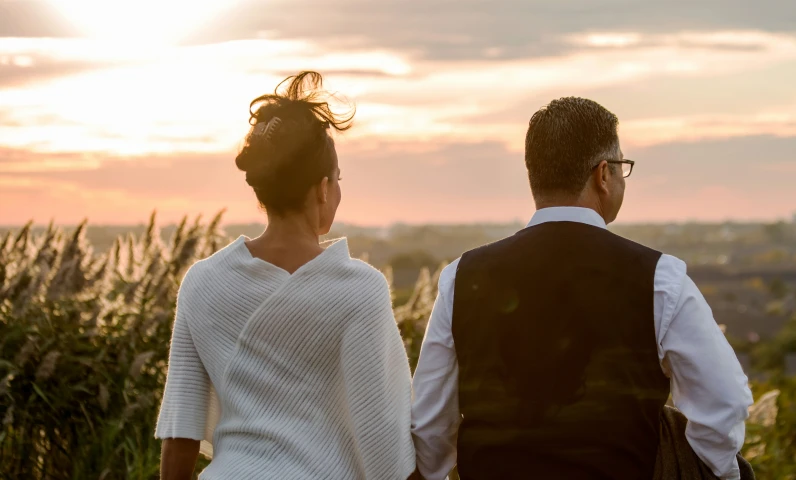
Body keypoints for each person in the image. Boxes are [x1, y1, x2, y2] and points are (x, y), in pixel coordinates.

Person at [410, 97, 754, 479]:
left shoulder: (461, 276)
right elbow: (725, 402)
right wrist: (721, 473)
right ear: (603, 175)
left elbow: (430, 426)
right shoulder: (660, 279)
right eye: (622, 167)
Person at [155, 71, 416, 480]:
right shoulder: (359, 290)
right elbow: (383, 434)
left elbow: (180, 433)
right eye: (339, 180)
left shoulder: (201, 282)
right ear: (323, 189)